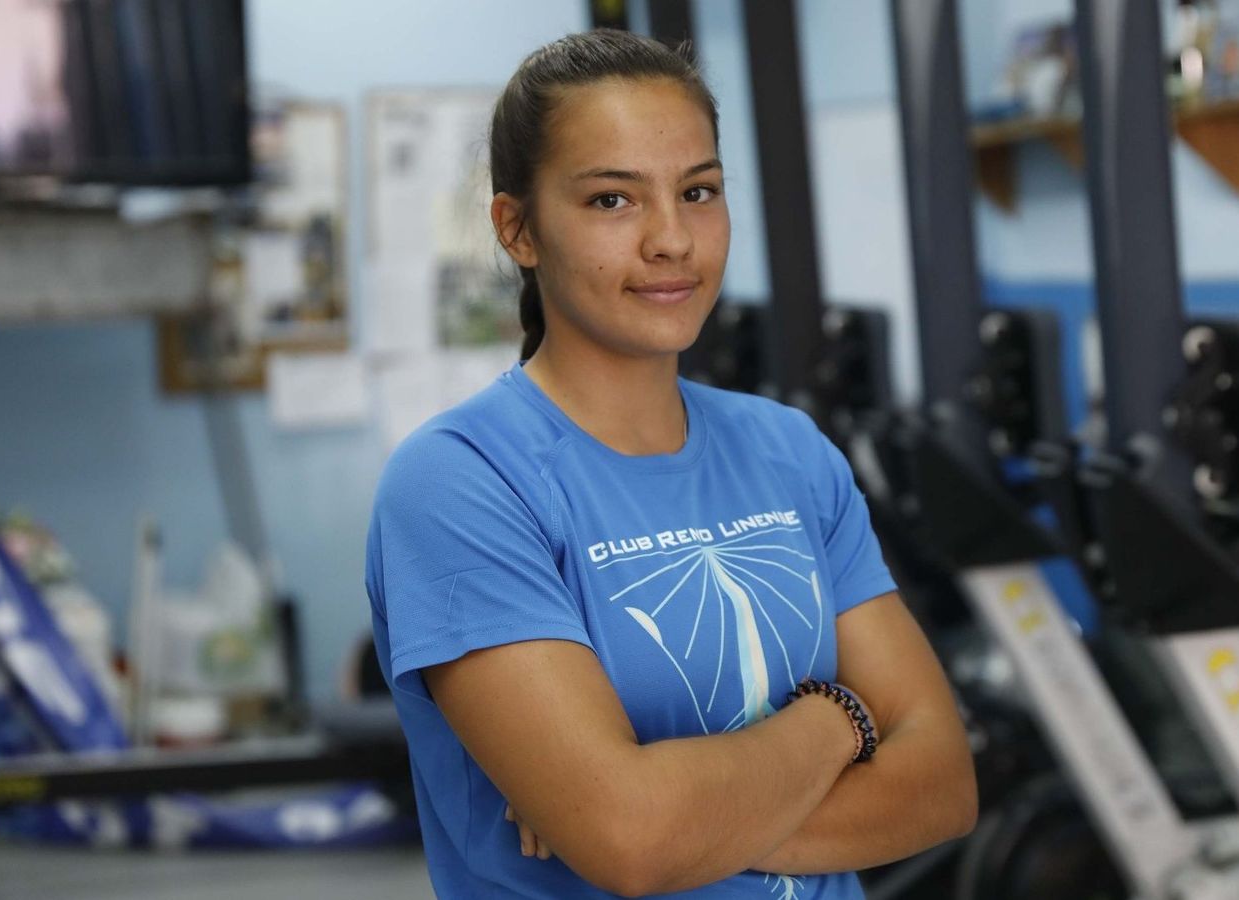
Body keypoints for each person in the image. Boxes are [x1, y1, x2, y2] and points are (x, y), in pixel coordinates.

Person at [365, 29, 976, 899]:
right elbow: (633, 842)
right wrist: (841, 718)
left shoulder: (788, 449)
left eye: (698, 192)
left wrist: (673, 813)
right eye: (612, 200)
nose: (671, 239)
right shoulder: (461, 481)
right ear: (518, 229)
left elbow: (943, 785)